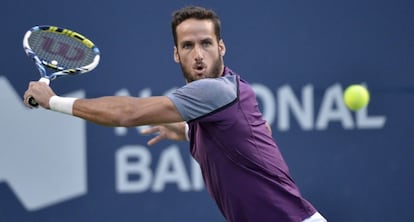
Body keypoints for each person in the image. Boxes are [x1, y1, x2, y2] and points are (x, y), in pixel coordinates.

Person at [23, 6, 327, 222]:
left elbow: (127, 113)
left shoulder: (216, 91)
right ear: (175, 53)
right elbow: (249, 135)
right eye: (188, 45)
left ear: (222, 47)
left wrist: (53, 102)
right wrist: (184, 131)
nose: (198, 54)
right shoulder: (220, 102)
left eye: (206, 44)